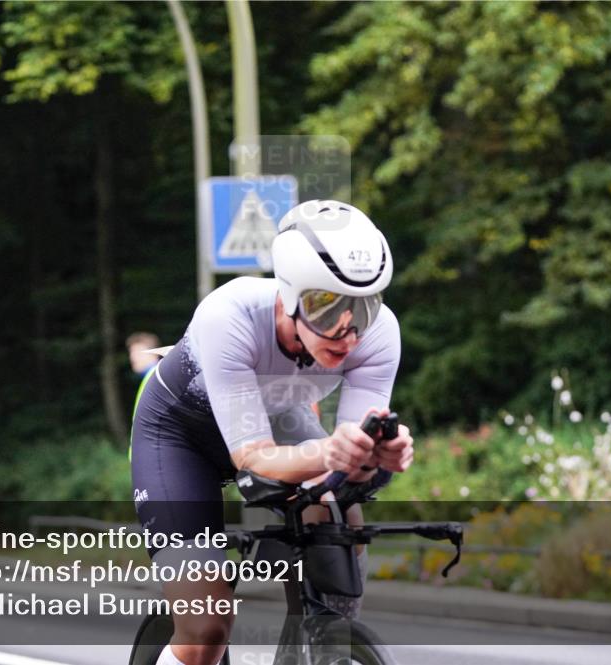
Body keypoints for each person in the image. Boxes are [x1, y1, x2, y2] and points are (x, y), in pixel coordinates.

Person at [129, 200, 414, 665]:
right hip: (180, 436)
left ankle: (321, 649)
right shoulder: (230, 315)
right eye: (326, 308)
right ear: (289, 297)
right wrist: (331, 452)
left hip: (278, 419)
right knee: (206, 627)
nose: (347, 332)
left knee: (338, 511)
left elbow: (344, 463)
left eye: (364, 308)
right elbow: (254, 458)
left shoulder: (379, 335)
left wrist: (378, 458)